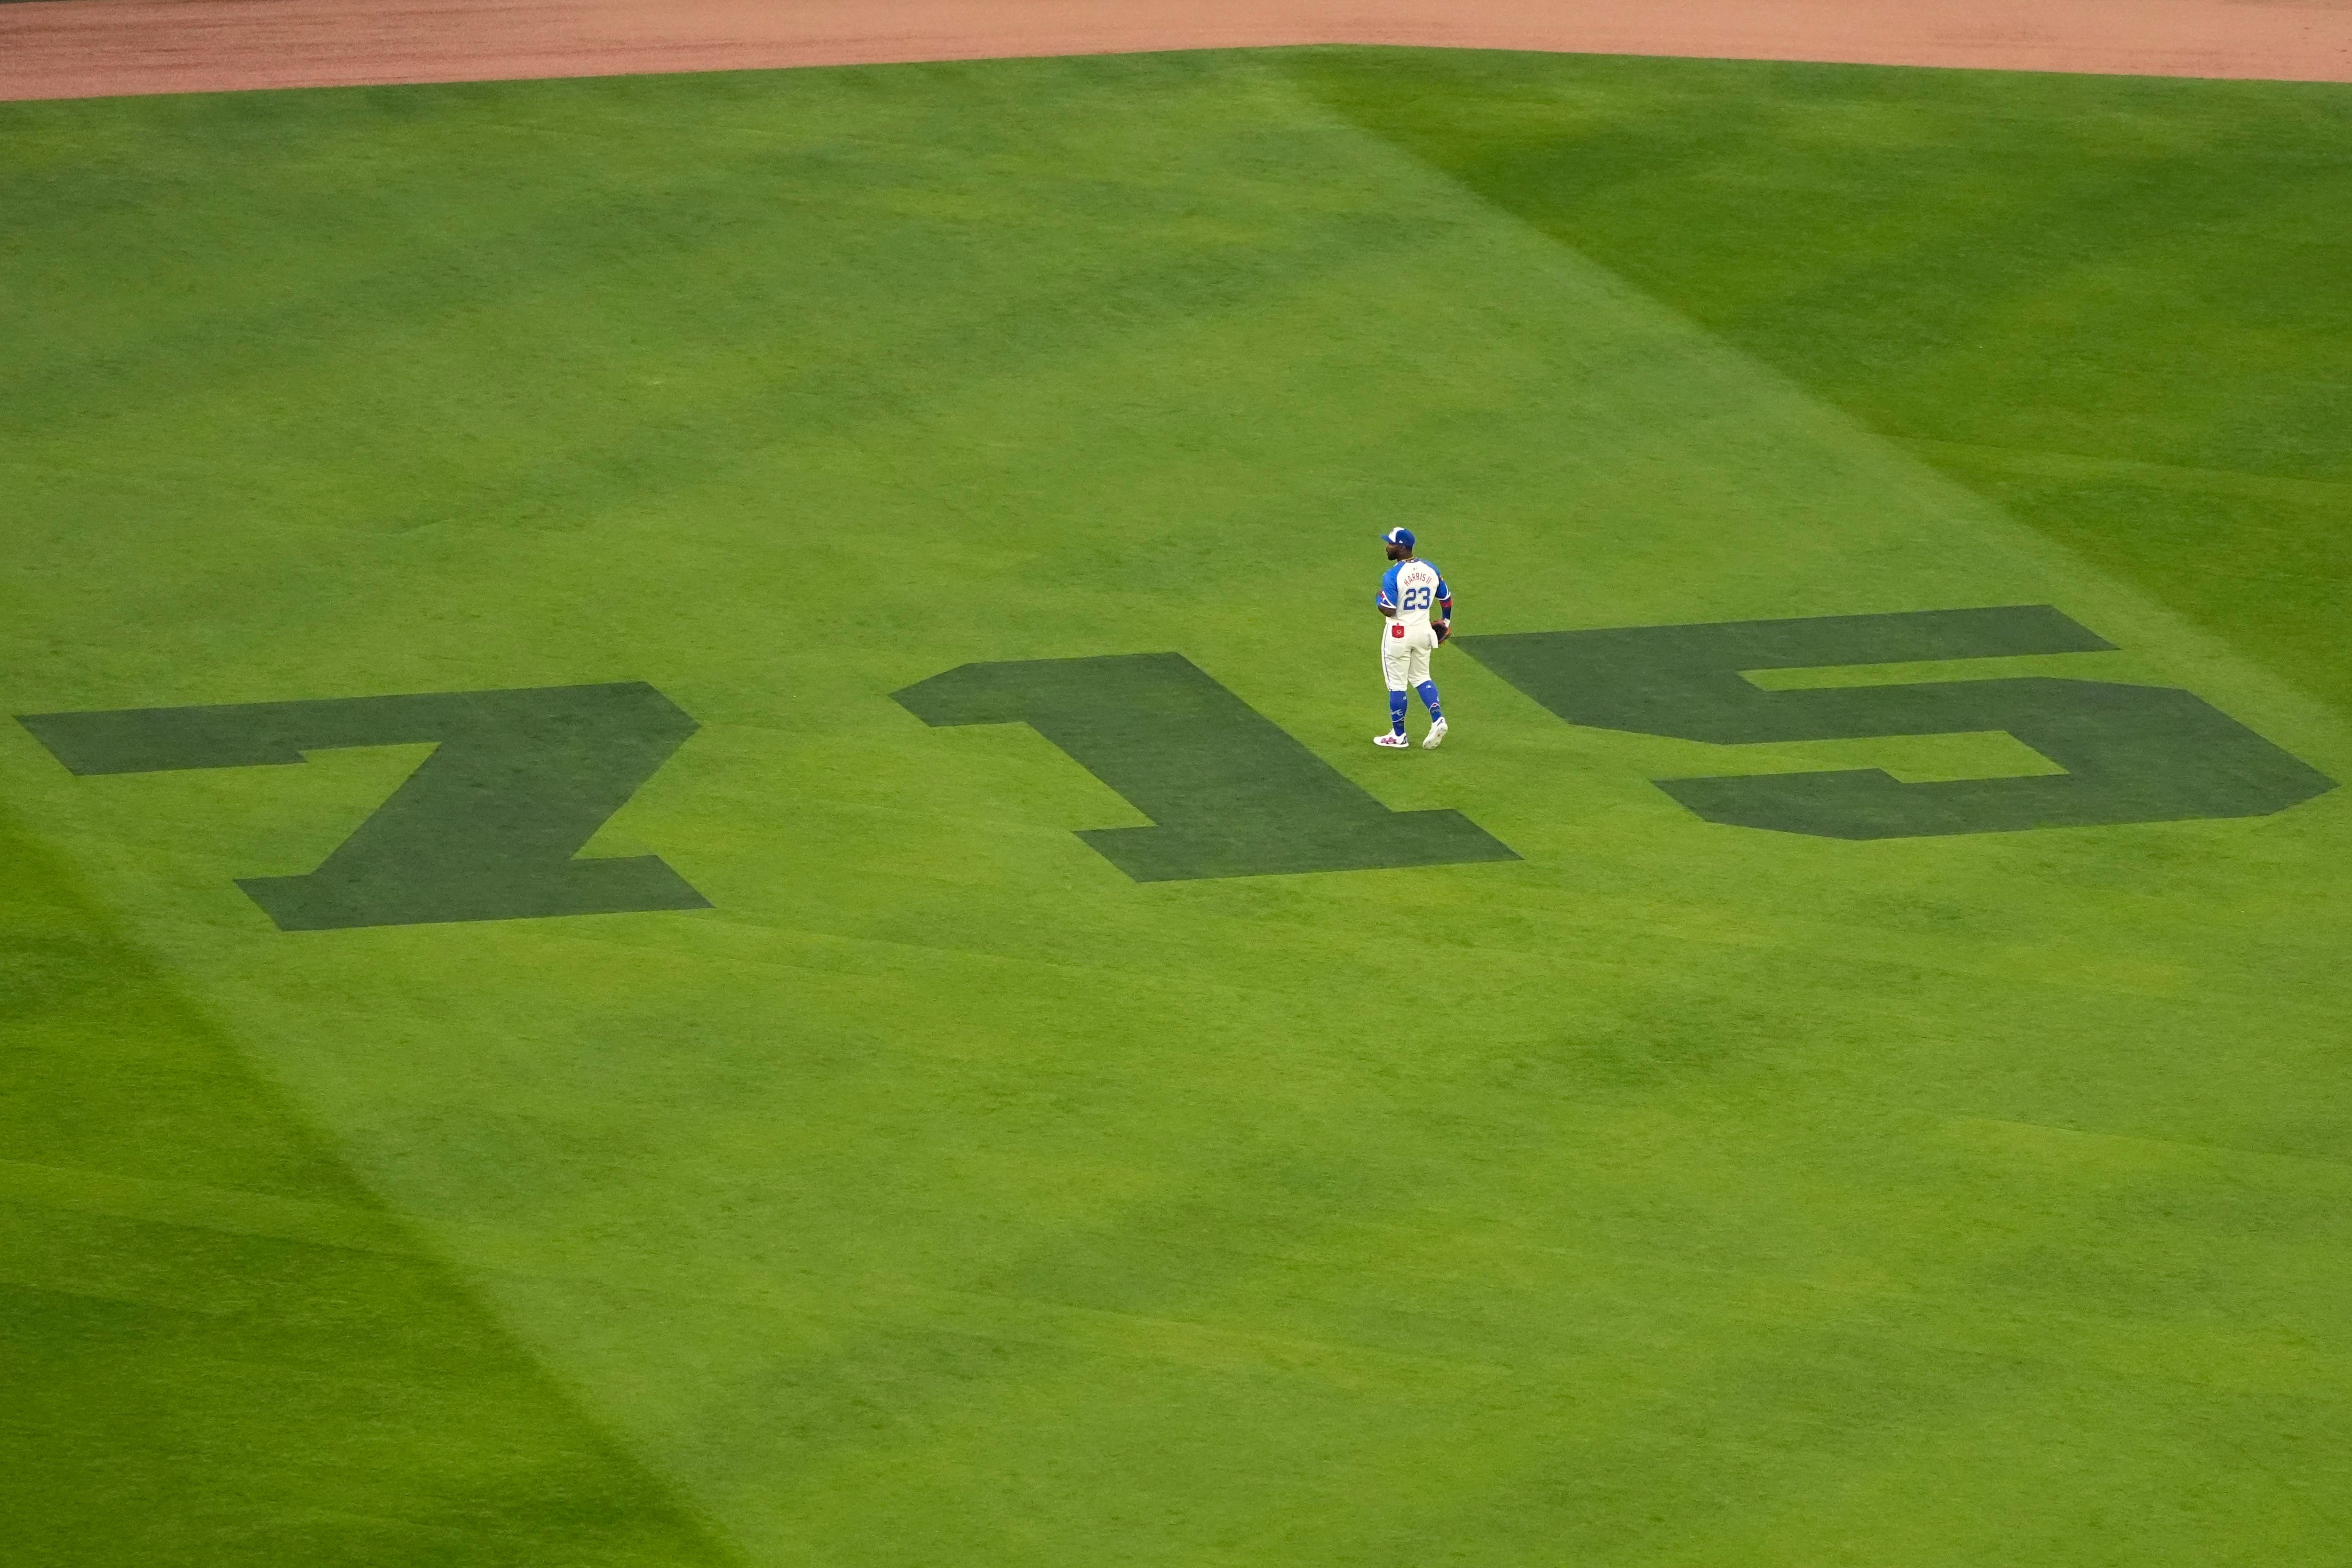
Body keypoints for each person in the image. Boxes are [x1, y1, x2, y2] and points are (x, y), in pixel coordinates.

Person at [1372, 527, 1450, 749]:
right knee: (1422, 678)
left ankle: (1399, 736)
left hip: (1398, 634)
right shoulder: (1431, 569)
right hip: (1423, 632)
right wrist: (1445, 623)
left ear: (1402, 548)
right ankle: (1438, 719)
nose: (1387, 546)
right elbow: (1446, 598)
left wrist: (1377, 599)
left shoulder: (1393, 575)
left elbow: (1388, 609)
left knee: (1397, 685)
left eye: (1391, 544)